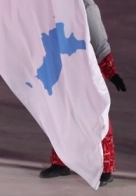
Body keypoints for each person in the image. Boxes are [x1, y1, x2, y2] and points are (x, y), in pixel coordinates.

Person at [39, 0, 127, 187]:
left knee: (97, 116)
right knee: (62, 116)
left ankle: (106, 167)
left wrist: (111, 73)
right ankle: (61, 161)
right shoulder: (56, 6)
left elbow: (100, 42)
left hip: (86, 70)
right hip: (64, 70)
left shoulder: (87, 8)